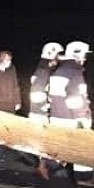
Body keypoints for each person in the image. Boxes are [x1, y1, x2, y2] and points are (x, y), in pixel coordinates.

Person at [46, 40, 94, 187]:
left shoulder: (60, 71)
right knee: (83, 148)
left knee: (58, 147)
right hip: (71, 118)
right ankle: (84, 177)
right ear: (76, 55)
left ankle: (48, 167)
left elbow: (51, 95)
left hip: (58, 115)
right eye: (84, 55)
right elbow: (75, 98)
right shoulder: (74, 72)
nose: (85, 59)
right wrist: (81, 118)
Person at [28, 41, 64, 177]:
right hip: (40, 113)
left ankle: (46, 166)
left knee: (45, 142)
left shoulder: (45, 69)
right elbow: (37, 94)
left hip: (40, 111)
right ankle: (43, 167)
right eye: (57, 57)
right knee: (44, 142)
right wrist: (47, 105)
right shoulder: (43, 71)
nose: (58, 60)